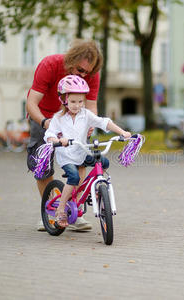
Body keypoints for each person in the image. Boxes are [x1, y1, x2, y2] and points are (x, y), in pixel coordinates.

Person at [26, 39, 102, 231]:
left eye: (88, 72)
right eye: (80, 70)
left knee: (82, 160)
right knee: (41, 163)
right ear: (70, 60)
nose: (84, 75)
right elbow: (31, 102)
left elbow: (91, 105)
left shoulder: (92, 75)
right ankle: (50, 210)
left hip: (74, 117)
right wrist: (45, 122)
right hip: (43, 116)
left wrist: (91, 124)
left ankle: (72, 211)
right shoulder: (49, 65)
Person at [44, 75, 131, 227]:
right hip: (67, 156)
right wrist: (58, 141)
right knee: (74, 177)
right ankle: (61, 208)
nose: (77, 105)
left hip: (82, 152)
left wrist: (122, 132)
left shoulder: (85, 115)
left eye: (80, 101)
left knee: (103, 162)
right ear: (64, 99)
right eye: (73, 102)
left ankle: (97, 189)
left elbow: (104, 122)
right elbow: (49, 135)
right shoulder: (58, 118)